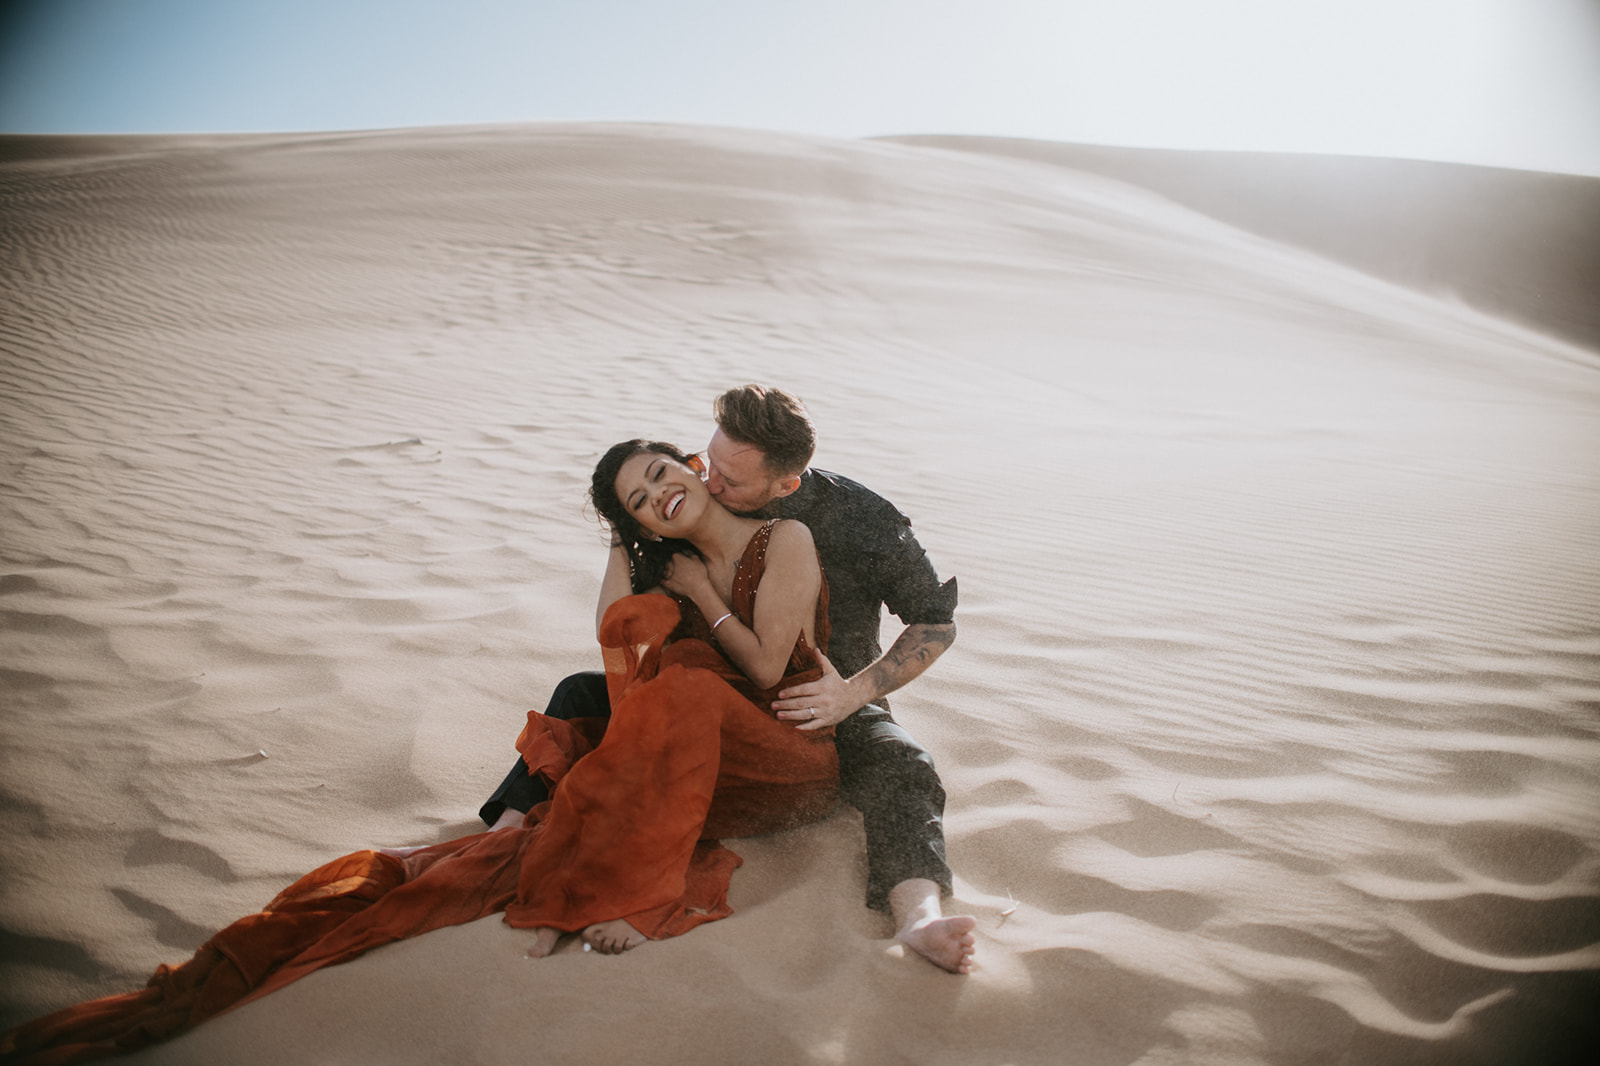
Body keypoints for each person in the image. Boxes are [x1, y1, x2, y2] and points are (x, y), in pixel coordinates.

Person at [0, 439, 853, 1065]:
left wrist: (701, 593)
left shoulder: (781, 539)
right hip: (704, 753)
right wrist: (620, 543)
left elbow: (766, 669)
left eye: (662, 472)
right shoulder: (665, 562)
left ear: (694, 466)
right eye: (638, 498)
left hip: (788, 750)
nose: (659, 492)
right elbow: (611, 638)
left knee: (680, 689)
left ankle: (637, 891)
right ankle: (509, 834)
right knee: (613, 700)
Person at [481, 385, 976, 973]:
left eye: (730, 480)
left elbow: (936, 622)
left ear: (785, 486)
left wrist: (855, 693)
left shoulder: (859, 518)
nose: (709, 482)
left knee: (903, 763)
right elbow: (617, 626)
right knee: (578, 694)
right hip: (703, 700)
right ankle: (497, 840)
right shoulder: (683, 510)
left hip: (819, 701)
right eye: (707, 461)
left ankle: (918, 918)